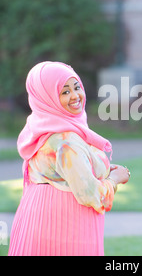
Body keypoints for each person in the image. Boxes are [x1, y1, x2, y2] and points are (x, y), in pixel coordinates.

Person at [8, 61, 130, 256]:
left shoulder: (38, 128)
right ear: (47, 97)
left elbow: (61, 172)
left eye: (77, 87)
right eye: (64, 92)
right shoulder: (66, 141)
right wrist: (116, 179)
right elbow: (91, 194)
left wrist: (101, 169)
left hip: (35, 219)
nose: (75, 96)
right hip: (64, 227)